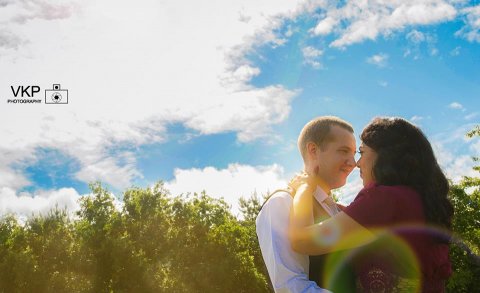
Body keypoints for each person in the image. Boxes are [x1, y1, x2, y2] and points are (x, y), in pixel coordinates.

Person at [289, 117, 453, 292]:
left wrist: (304, 187)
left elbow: (301, 241)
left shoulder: (385, 200)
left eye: (361, 152)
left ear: (385, 156)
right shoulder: (412, 199)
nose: (356, 163)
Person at [256, 116, 357, 292]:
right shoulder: (282, 203)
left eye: (354, 154)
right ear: (313, 150)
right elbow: (291, 287)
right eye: (343, 151)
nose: (353, 163)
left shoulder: (337, 209)